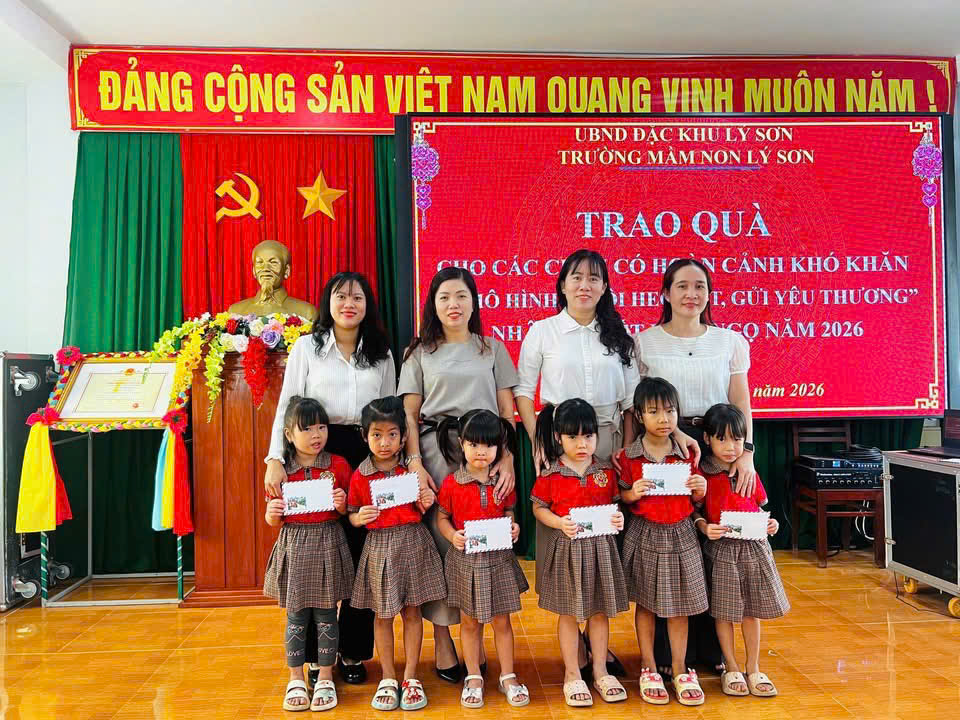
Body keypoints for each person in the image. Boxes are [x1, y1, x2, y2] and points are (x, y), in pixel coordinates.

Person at [264, 271, 395, 686]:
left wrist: (396, 460)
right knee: (315, 552)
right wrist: (275, 458)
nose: (349, 304)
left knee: (363, 554)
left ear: (367, 305)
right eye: (341, 297)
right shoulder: (308, 347)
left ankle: (352, 652)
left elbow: (390, 410)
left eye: (357, 297)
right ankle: (310, 657)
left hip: (369, 451)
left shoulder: (381, 353)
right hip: (316, 449)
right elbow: (287, 406)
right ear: (329, 303)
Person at [632, 257, 755, 674]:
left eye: (700, 286)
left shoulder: (729, 341)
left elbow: (741, 401)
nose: (691, 294)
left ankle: (713, 651)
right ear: (665, 293)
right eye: (682, 286)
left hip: (721, 446)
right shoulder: (644, 342)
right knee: (672, 546)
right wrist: (649, 447)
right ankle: (668, 655)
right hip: (666, 446)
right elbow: (637, 406)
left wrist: (746, 452)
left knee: (715, 546)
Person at [398, 266, 519, 681]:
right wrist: (415, 462)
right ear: (433, 304)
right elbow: (409, 415)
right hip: (435, 453)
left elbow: (506, 410)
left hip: (486, 452)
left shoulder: (492, 348)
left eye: (462, 296)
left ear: (474, 302)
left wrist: (508, 457)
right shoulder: (419, 352)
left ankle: (478, 631)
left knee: (480, 546)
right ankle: (443, 638)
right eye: (445, 297)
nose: (454, 304)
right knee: (442, 543)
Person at [348, 397, 446, 711]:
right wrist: (358, 518)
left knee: (413, 613)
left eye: (392, 434)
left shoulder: (411, 472)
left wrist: (425, 500)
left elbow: (424, 502)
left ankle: (411, 677)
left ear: (404, 437)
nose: (384, 442)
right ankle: (388, 677)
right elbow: (351, 512)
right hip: (379, 548)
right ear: (364, 436)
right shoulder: (361, 475)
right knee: (383, 615)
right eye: (376, 435)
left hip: (413, 544)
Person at [530, 399, 628, 707]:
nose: (581, 444)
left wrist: (617, 518)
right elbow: (538, 508)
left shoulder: (606, 471)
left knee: (599, 612)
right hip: (567, 552)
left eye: (588, 436)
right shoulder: (551, 474)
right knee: (569, 613)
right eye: (573, 437)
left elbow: (615, 504)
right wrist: (559, 522)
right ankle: (572, 673)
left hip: (601, 551)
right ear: (558, 437)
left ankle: (600, 671)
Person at [619, 378, 708, 706]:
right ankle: (649, 667)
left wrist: (700, 490)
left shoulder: (686, 452)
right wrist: (632, 493)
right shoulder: (628, 456)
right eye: (654, 412)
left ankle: (681, 669)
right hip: (645, 533)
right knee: (645, 603)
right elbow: (622, 496)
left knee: (681, 606)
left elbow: (696, 500)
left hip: (682, 533)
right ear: (639, 415)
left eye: (670, 411)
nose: (663, 419)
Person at [263, 397, 354, 712]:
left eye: (321, 427)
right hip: (295, 544)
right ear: (288, 434)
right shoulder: (281, 470)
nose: (316, 435)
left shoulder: (338, 465)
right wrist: (272, 514)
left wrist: (342, 504)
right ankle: (295, 678)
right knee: (296, 615)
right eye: (307, 429)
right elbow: (272, 518)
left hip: (329, 541)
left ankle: (326, 677)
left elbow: (347, 510)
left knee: (328, 614)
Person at [435, 410, 530, 708]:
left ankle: (508, 676)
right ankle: (473, 676)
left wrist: (513, 526)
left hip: (499, 561)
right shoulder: (452, 483)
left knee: (502, 621)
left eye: (489, 445)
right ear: (461, 444)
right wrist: (452, 536)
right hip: (466, 564)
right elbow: (442, 517)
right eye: (474, 444)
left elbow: (508, 511)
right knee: (470, 622)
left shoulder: (502, 480)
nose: (481, 451)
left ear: (499, 447)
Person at [695, 403, 789, 698]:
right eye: (721, 439)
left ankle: (753, 666)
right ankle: (731, 666)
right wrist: (703, 526)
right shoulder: (703, 474)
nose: (730, 447)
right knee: (723, 612)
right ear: (707, 439)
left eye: (737, 439)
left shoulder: (749, 471)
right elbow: (693, 510)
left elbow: (759, 507)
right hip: (722, 552)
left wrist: (771, 523)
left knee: (751, 611)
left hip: (753, 550)